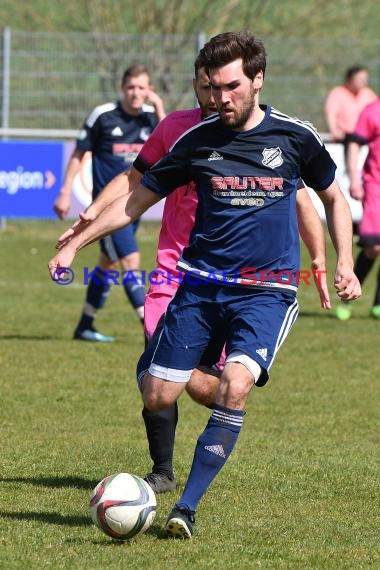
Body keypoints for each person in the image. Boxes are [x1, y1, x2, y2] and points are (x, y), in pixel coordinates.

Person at [49, 32, 361, 539]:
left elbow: (329, 197)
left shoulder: (294, 137)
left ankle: (184, 509)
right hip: (198, 287)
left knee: (234, 387)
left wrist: (339, 260)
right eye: (212, 88)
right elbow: (134, 200)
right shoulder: (194, 140)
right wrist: (75, 243)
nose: (220, 99)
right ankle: (173, 450)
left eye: (232, 86)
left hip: (267, 291)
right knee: (156, 392)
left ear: (258, 80)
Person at [53, 64, 166, 342]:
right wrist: (65, 191)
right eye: (131, 87)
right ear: (122, 88)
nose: (135, 93)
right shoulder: (103, 116)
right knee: (130, 261)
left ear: (149, 90)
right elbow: (79, 154)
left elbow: (172, 142)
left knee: (107, 265)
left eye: (142, 87)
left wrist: (160, 107)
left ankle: (85, 324)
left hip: (136, 205)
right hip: (109, 208)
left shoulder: (153, 119)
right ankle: (150, 330)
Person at [335, 97, 380, 320]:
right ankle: (348, 294)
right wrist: (354, 178)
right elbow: (354, 143)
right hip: (375, 184)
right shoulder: (373, 111)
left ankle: (378, 304)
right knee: (374, 247)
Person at [324, 65, 377, 152]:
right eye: (361, 79)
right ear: (351, 79)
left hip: (365, 136)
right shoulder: (337, 93)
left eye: (365, 79)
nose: (364, 82)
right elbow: (331, 114)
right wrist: (334, 130)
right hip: (345, 138)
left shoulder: (367, 94)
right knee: (352, 142)